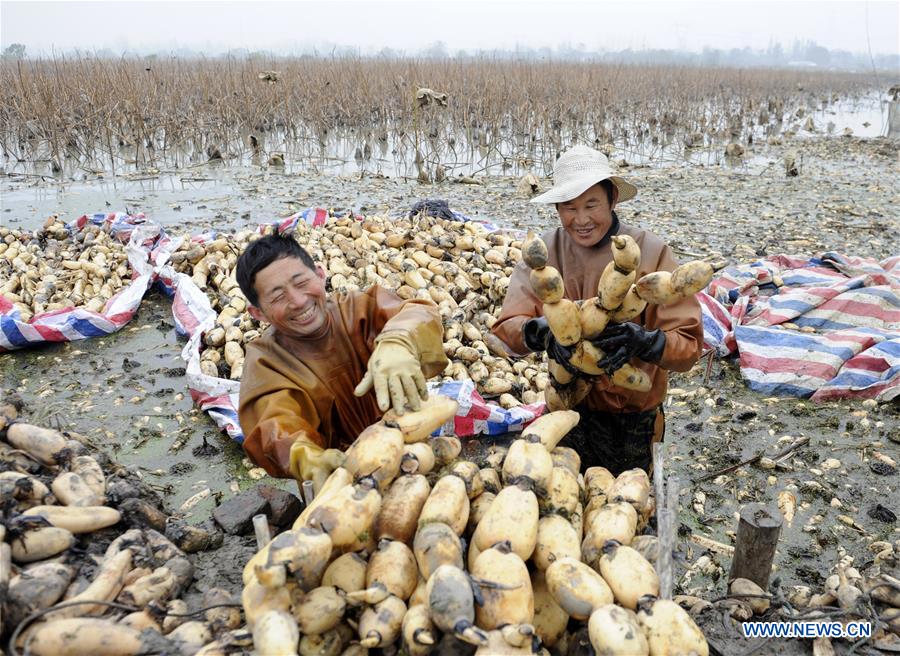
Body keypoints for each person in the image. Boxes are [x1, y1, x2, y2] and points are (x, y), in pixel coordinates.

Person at [492, 145, 703, 475]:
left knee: (628, 503)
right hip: (566, 406)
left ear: (613, 198)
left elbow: (688, 346)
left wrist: (644, 342)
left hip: (633, 417)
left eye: (591, 205)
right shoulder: (543, 254)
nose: (581, 219)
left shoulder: (650, 252)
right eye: (569, 207)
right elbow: (509, 327)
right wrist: (541, 333)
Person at [235, 233, 448, 489]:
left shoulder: (360, 309)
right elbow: (273, 425)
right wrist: (305, 457)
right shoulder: (265, 363)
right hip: (338, 477)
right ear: (258, 313)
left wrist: (400, 339)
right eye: (278, 297)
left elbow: (419, 312)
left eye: (301, 282)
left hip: (411, 451)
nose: (299, 301)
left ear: (320, 274)